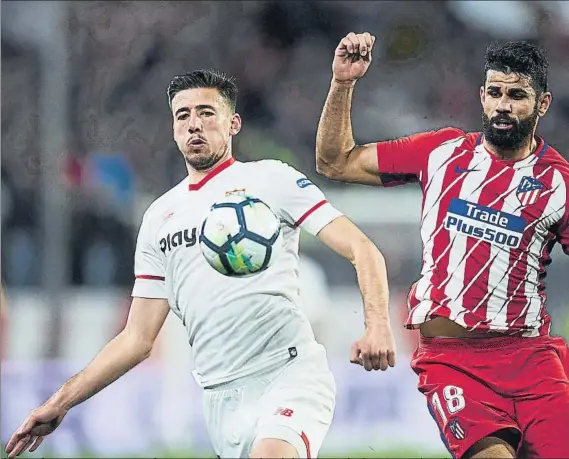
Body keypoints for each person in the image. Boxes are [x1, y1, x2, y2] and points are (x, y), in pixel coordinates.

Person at [5, 69, 396, 459]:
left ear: (233, 123)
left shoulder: (270, 180)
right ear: (174, 129)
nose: (194, 124)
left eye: (207, 113)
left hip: (289, 374)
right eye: (183, 115)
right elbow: (137, 339)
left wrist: (377, 326)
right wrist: (61, 402)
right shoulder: (160, 217)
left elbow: (362, 249)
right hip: (220, 399)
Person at [315, 33, 569, 459]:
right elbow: (335, 161)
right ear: (482, 96)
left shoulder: (559, 181)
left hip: (532, 358)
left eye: (517, 95)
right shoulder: (441, 152)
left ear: (541, 104)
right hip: (453, 360)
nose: (503, 105)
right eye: (495, 93)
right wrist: (342, 83)